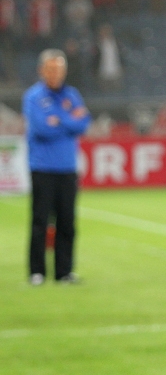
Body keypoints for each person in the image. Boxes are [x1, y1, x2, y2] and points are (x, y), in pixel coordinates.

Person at [23, 49, 92, 286]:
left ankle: (64, 272)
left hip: (67, 167)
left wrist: (58, 118)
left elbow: (83, 123)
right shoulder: (33, 96)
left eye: (59, 70)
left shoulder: (71, 94)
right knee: (40, 221)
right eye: (51, 69)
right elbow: (42, 128)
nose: (56, 74)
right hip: (42, 167)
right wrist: (68, 119)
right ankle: (37, 272)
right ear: (42, 70)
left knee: (67, 222)